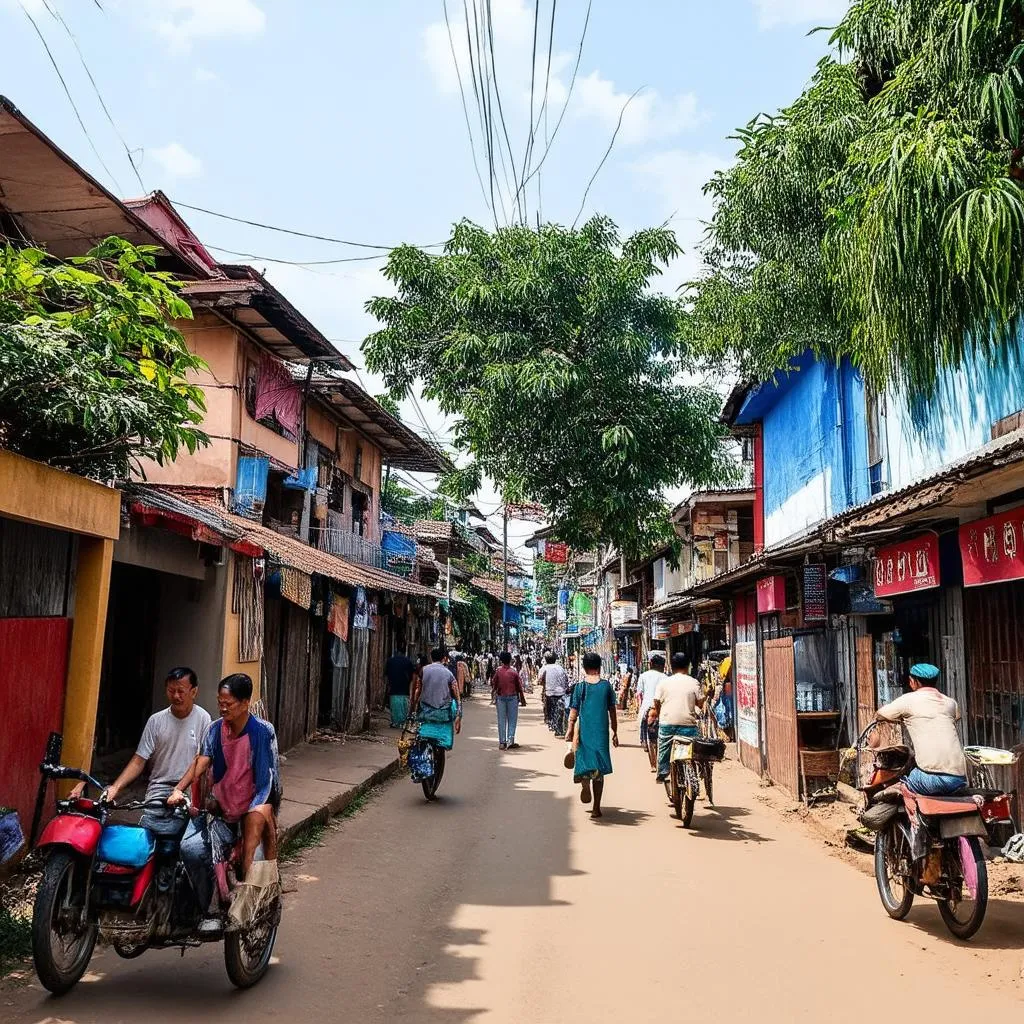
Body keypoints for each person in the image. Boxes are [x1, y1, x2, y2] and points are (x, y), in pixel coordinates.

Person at [169, 674, 281, 885]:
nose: (223, 708)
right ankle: (210, 908)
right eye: (220, 703)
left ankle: (253, 906)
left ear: (245, 702)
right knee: (191, 850)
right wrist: (178, 789)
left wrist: (253, 816)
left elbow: (267, 782)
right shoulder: (213, 730)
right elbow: (201, 763)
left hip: (251, 811)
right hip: (221, 811)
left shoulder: (262, 732)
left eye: (228, 704)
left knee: (255, 871)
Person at [72, 666, 211, 804]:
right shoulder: (156, 720)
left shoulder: (204, 718)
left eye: (181, 691)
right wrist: (115, 787)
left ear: (193, 692)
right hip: (159, 786)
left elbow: (202, 761)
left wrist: (181, 789)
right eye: (171, 691)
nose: (175, 696)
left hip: (188, 789)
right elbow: (139, 760)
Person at [873, 662, 967, 795]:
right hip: (959, 778)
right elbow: (957, 716)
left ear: (914, 682)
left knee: (903, 783)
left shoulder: (908, 700)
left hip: (931, 779)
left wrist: (900, 719)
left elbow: (880, 714)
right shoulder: (950, 702)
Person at [564, 651, 618, 818]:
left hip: (584, 730)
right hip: (601, 731)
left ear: (584, 667)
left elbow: (573, 712)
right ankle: (596, 808)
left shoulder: (580, 687)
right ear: (599, 667)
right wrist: (615, 732)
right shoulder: (606, 686)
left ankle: (584, 781)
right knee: (599, 768)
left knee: (584, 759)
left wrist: (570, 729)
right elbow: (612, 711)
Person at [649, 653, 704, 783]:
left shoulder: (664, 683)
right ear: (687, 666)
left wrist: (660, 712)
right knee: (694, 748)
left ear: (672, 667)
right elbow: (700, 703)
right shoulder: (693, 682)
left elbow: (656, 701)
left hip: (667, 724)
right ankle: (697, 770)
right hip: (688, 725)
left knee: (663, 746)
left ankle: (662, 772)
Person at [411, 648, 463, 749]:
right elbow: (457, 697)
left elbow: (417, 691)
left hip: (425, 713)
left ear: (431, 657)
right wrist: (458, 715)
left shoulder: (424, 670)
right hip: (442, 714)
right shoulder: (448, 674)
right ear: (443, 659)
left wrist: (413, 708)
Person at [635, 654, 668, 772]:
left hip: (647, 711)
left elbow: (639, 694)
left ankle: (653, 765)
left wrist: (640, 708)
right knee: (661, 737)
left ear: (651, 664)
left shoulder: (643, 676)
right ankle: (661, 762)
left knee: (649, 739)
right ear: (662, 666)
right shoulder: (665, 677)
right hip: (661, 710)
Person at [492, 651, 527, 750]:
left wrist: (494, 692)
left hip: (501, 697)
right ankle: (510, 740)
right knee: (512, 720)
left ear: (501, 660)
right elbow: (519, 687)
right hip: (512, 698)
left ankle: (502, 742)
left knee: (501, 720)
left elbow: (494, 683)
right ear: (510, 660)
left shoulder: (498, 671)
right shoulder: (514, 672)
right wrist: (522, 699)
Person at [385, 647, 417, 728]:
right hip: (404, 689)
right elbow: (412, 676)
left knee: (394, 706)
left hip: (393, 688)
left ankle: (395, 722)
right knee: (403, 706)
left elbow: (387, 675)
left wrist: (388, 686)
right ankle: (402, 722)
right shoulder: (408, 661)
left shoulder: (390, 661)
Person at [537, 651, 569, 729]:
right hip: (561, 692)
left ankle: (551, 724)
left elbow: (539, 681)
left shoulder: (544, 668)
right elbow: (566, 679)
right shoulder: (560, 668)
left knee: (550, 709)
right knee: (559, 709)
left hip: (549, 692)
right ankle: (558, 725)